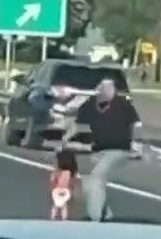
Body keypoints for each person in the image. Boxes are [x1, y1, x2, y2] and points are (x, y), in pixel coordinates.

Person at [61, 78, 142, 222]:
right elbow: (77, 125)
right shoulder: (90, 105)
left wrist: (137, 146)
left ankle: (95, 220)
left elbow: (136, 125)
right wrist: (65, 140)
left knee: (97, 178)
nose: (106, 93)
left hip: (118, 150)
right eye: (102, 90)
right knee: (87, 183)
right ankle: (105, 213)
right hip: (96, 150)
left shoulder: (123, 105)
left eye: (109, 90)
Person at [49, 148, 78, 221]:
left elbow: (53, 181)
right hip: (66, 191)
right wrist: (71, 190)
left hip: (57, 190)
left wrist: (52, 187)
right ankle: (64, 218)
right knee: (64, 205)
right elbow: (72, 183)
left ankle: (53, 217)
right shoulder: (71, 173)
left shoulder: (58, 172)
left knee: (56, 205)